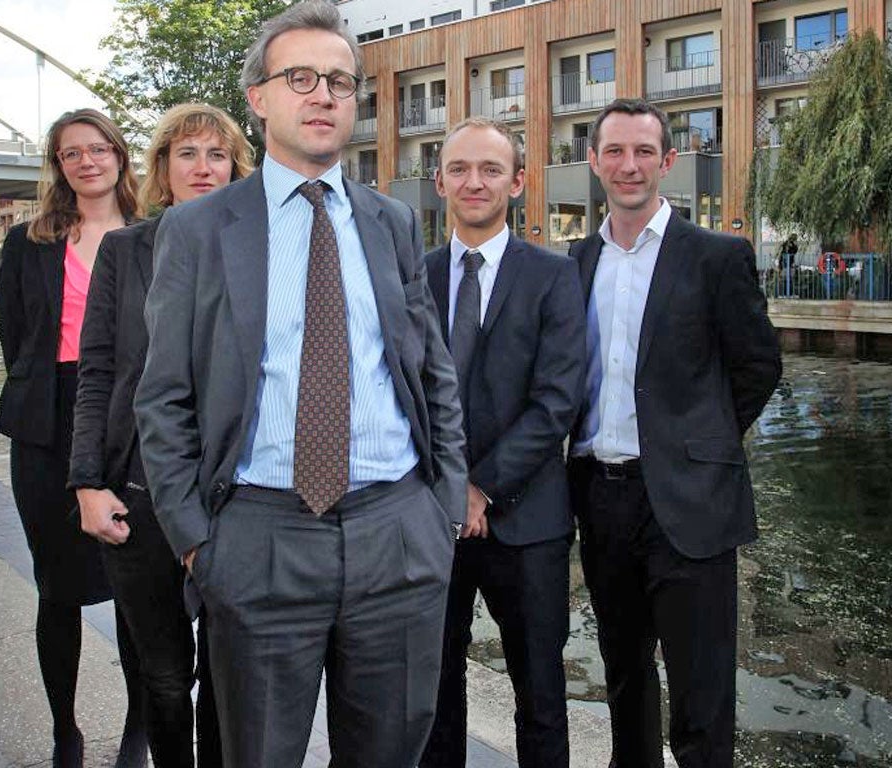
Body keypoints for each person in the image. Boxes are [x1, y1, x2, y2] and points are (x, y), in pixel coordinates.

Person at [133, 2, 467, 766]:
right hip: (259, 538)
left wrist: (442, 505)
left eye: (341, 82)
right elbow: (163, 396)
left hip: (399, 538)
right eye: (302, 77)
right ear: (259, 98)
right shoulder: (198, 230)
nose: (324, 95)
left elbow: (432, 371)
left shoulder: (391, 222)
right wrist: (196, 540)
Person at [567, 99, 782, 768]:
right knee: (625, 675)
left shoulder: (717, 256)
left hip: (691, 501)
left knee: (702, 691)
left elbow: (758, 368)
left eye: (642, 152)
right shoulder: (574, 263)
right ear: (594, 162)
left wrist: (699, 444)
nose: (628, 166)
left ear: (667, 161)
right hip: (602, 501)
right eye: (614, 152)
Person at [69, 104, 254, 767]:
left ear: (237, 168)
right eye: (187, 154)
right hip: (141, 497)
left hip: (240, 500)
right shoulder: (125, 252)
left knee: (233, 680)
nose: (203, 168)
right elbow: (96, 373)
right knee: (167, 678)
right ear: (162, 170)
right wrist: (89, 483)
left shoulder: (264, 254)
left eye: (218, 155)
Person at [419, 118, 585, 768]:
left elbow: (556, 402)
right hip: (431, 519)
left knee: (540, 698)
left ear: (517, 181)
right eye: (459, 168)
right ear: (439, 183)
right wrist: (446, 487)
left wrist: (481, 485)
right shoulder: (416, 277)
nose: (474, 181)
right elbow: (397, 394)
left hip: (529, 523)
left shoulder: (554, 276)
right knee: (434, 695)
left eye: (490, 169)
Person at [0, 108, 146, 767]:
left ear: (119, 155)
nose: (86, 162)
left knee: (140, 585)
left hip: (131, 419)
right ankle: (66, 732)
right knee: (56, 587)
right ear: (58, 167)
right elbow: (15, 338)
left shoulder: (151, 236)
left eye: (97, 149)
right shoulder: (29, 243)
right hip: (46, 424)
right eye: (70, 154)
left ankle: (140, 729)